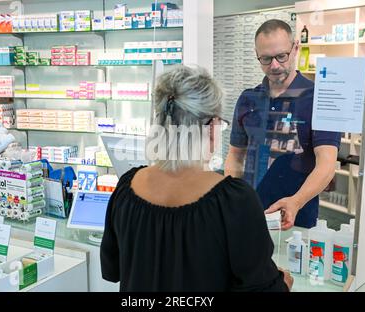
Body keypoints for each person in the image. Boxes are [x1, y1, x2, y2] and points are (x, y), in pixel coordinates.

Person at [100, 65, 293, 292]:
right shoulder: (233, 201)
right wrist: (283, 285)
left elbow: (112, 270)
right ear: (211, 128)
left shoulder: (127, 187)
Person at [224, 19, 341, 230]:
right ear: (257, 55)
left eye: (281, 56)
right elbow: (235, 156)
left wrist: (295, 202)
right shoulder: (248, 99)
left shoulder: (320, 98)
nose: (275, 66)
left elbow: (327, 165)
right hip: (249, 214)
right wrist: (232, 196)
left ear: (295, 48)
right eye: (266, 59)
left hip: (298, 218)